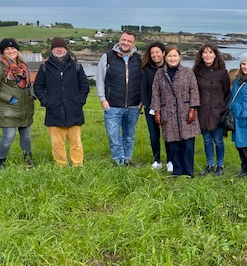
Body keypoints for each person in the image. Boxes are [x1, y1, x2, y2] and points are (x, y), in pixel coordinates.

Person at [33, 37, 90, 166]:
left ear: (66, 49)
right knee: (56, 143)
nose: (59, 49)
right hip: (54, 111)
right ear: (52, 49)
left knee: (76, 142)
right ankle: (61, 166)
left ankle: (77, 165)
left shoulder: (76, 67)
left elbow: (84, 86)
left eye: (62, 47)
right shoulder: (44, 68)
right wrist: (46, 102)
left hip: (74, 110)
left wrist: (79, 101)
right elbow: (38, 87)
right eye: (56, 47)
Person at [150, 46, 200, 177]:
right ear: (165, 57)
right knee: (173, 145)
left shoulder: (188, 72)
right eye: (170, 56)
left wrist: (193, 109)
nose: (172, 59)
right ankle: (177, 171)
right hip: (169, 113)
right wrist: (157, 112)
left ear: (180, 57)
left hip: (186, 113)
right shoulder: (159, 74)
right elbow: (155, 93)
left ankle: (188, 172)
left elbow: (194, 91)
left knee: (188, 145)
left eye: (175, 56)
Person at [95, 30, 142, 166]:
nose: (125, 43)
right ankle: (119, 161)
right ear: (119, 40)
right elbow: (99, 79)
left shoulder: (139, 59)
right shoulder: (107, 57)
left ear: (133, 43)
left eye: (129, 41)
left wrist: (141, 103)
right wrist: (103, 99)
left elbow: (143, 82)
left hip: (133, 106)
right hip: (113, 106)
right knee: (114, 137)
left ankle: (128, 159)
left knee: (129, 136)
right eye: (123, 40)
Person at [0, 38, 36, 169]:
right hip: (8, 108)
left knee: (26, 136)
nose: (11, 51)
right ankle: (1, 162)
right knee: (8, 137)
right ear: (3, 52)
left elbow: (28, 84)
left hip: (25, 107)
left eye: (13, 48)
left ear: (17, 49)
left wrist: (32, 94)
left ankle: (28, 160)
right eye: (7, 49)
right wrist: (9, 99)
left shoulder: (23, 65)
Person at [194, 43, 230, 177]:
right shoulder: (197, 72)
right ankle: (210, 165)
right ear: (201, 55)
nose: (208, 55)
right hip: (203, 111)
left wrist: (219, 104)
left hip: (218, 112)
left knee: (218, 140)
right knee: (207, 140)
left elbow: (226, 92)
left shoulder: (223, 73)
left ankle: (220, 165)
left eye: (210, 52)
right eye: (205, 52)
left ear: (215, 55)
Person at [140, 42, 172, 171]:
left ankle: (170, 160)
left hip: (168, 108)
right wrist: (149, 107)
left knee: (169, 136)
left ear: (163, 53)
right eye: (152, 53)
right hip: (151, 108)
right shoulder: (146, 69)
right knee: (154, 136)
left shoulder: (170, 68)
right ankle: (157, 160)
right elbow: (143, 89)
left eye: (157, 52)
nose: (155, 55)